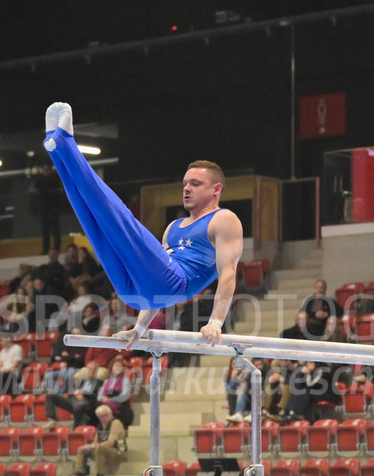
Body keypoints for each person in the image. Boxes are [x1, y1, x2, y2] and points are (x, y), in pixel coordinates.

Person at [44, 102, 243, 347]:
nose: (186, 188)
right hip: (136, 295)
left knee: (117, 216)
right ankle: (57, 152)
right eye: (184, 183)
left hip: (176, 285)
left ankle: (66, 142)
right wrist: (138, 330)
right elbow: (151, 272)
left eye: (195, 183)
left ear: (216, 189)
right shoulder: (173, 227)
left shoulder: (224, 219)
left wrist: (215, 321)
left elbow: (228, 274)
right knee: (94, 223)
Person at [71, 404, 126, 476]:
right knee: (82, 449)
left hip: (118, 452)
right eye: (101, 416)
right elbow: (95, 442)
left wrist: (93, 446)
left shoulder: (115, 423)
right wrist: (89, 447)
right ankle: (80, 474)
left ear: (110, 414)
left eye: (106, 415)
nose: (104, 418)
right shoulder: (100, 426)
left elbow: (111, 442)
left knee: (98, 448)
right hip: (102, 451)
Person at [29, 164, 62, 254]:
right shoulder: (40, 179)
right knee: (45, 230)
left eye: (47, 169)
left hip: (52, 207)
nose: (46, 171)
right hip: (43, 208)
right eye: (44, 169)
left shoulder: (54, 178)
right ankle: (46, 249)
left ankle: (56, 248)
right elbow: (32, 189)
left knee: (54, 229)